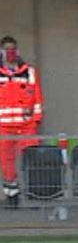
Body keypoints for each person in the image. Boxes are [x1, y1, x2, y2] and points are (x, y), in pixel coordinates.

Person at [0, 37, 42, 209]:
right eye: (7, 49)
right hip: (3, 126)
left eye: (13, 49)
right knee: (6, 162)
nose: (11, 52)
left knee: (31, 159)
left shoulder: (29, 72)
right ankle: (12, 195)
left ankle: (33, 194)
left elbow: (37, 98)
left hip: (26, 126)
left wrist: (36, 120)